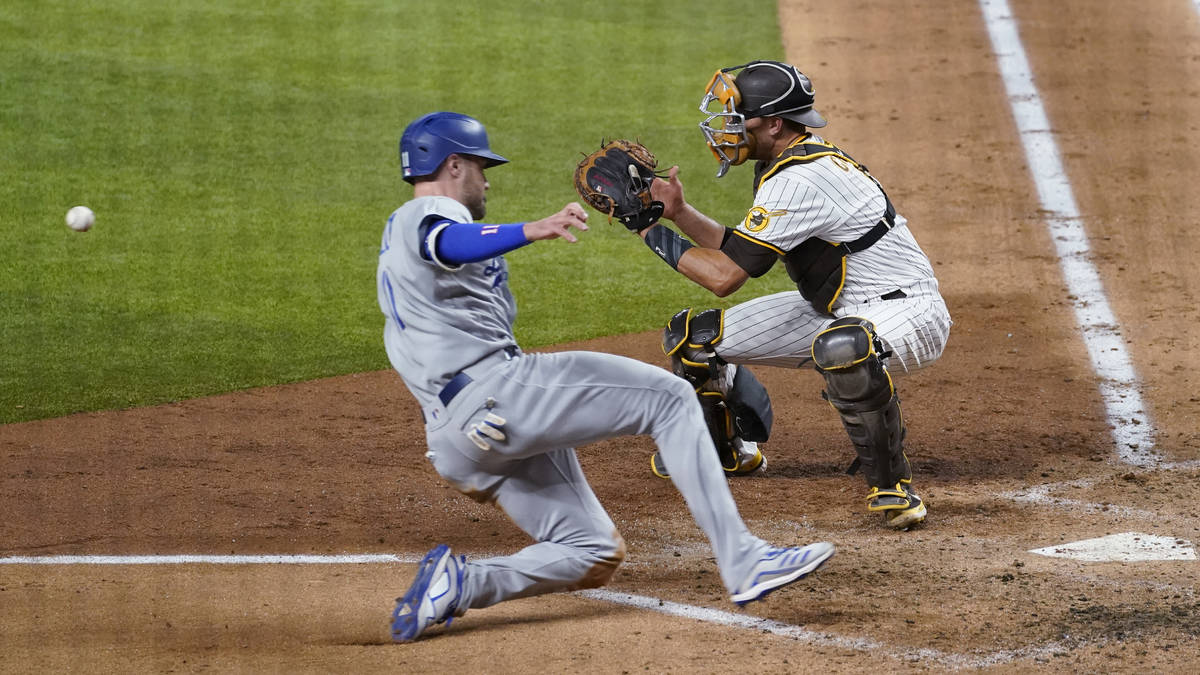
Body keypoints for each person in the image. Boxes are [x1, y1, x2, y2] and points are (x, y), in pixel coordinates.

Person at [379, 111, 834, 643]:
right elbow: (447, 241)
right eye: (480, 166)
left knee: (590, 552)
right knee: (669, 397)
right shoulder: (426, 216)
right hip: (495, 393)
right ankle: (745, 561)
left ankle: (461, 584)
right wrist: (534, 229)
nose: (486, 179)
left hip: (458, 438)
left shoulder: (402, 244)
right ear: (452, 164)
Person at [636, 61, 952, 530]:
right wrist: (677, 213)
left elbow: (725, 277)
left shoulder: (802, 178)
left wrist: (645, 229)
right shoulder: (783, 162)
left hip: (907, 309)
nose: (728, 128)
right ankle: (726, 454)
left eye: (740, 117)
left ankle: (893, 487)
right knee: (695, 339)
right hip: (838, 307)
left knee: (845, 349)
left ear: (775, 123)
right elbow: (742, 251)